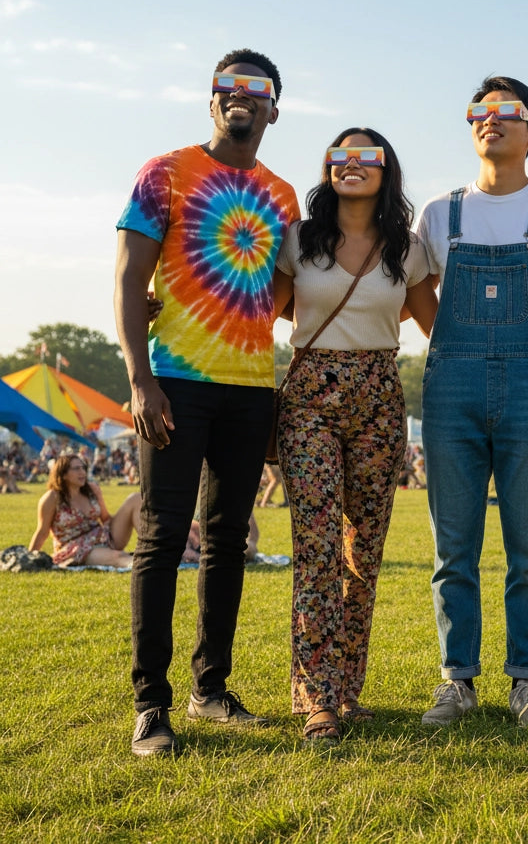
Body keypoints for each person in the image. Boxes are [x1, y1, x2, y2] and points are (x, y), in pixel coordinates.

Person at [114, 49, 300, 757]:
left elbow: (287, 285)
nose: (240, 95)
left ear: (274, 109)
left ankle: (210, 688)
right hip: (174, 384)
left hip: (250, 389)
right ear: (212, 99)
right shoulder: (164, 172)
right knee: (162, 537)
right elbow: (128, 277)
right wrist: (140, 379)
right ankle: (150, 705)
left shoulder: (282, 194)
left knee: (227, 541)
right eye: (228, 85)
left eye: (256, 88)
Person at [415, 77, 528, 728]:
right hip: (451, 391)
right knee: (452, 549)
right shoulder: (439, 214)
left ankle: (526, 682)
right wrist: (452, 346)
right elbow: (416, 292)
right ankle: (457, 681)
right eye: (479, 112)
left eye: (506, 112)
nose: (490, 120)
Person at [274, 127, 437, 742]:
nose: (352, 163)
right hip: (310, 396)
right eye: (341, 155)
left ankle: (346, 688)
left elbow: (437, 326)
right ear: (327, 168)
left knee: (362, 553)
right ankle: (317, 697)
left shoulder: (408, 248)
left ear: (386, 169)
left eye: (367, 155)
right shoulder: (299, 239)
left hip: (380, 395)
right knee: (317, 545)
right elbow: (265, 308)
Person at [29, 454, 142, 568]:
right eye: (76, 469)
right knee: (118, 556)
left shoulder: (91, 490)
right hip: (75, 548)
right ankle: (145, 566)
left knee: (135, 498)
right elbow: (42, 532)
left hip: (102, 537)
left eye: (83, 468)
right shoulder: (52, 498)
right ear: (63, 474)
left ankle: (150, 545)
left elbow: (106, 519)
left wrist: (124, 522)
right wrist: (29, 557)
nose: (82, 472)